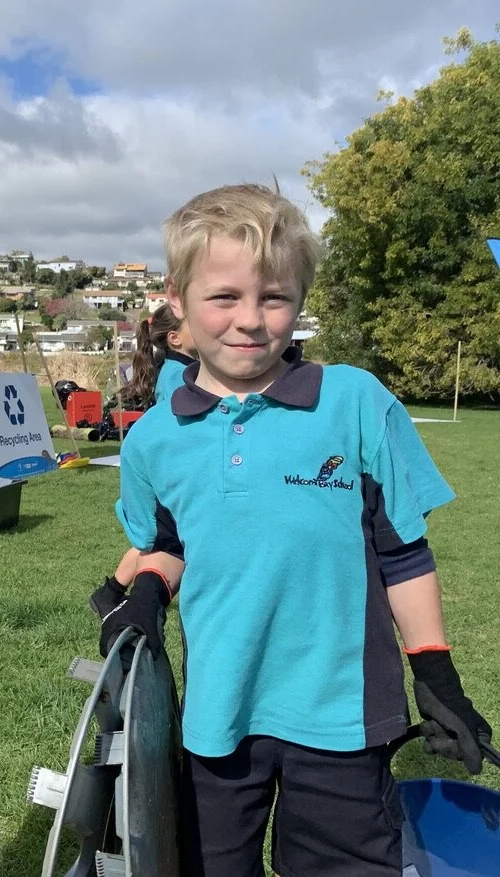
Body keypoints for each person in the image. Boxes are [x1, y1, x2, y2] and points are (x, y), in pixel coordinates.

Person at [103, 184, 494, 877]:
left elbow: (403, 553)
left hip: (342, 715)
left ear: (300, 298)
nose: (251, 320)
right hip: (219, 714)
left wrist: (434, 668)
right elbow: (166, 545)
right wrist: (140, 593)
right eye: (224, 296)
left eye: (275, 297)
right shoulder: (154, 439)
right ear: (177, 297)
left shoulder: (355, 402)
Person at [90, 303, 196, 616]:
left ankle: (109, 594)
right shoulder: (180, 375)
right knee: (162, 543)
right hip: (171, 475)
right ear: (175, 338)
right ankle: (118, 597)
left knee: (158, 542)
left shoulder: (178, 370)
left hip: (168, 473)